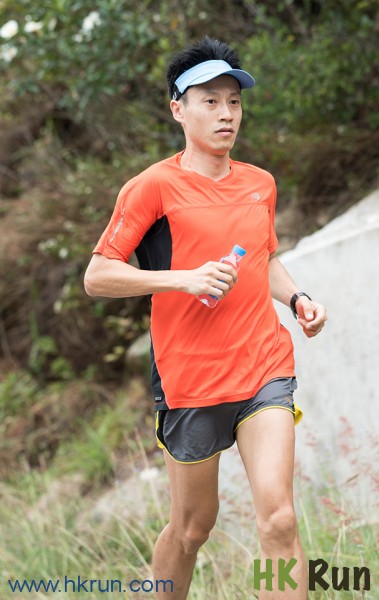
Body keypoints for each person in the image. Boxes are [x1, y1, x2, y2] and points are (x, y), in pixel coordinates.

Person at [84, 36, 327, 599]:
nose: (226, 114)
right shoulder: (152, 187)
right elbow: (98, 275)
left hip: (263, 366)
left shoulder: (259, 183)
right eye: (210, 101)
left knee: (279, 519)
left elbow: (263, 258)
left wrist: (297, 299)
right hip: (190, 379)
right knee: (193, 528)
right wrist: (183, 279)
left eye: (234, 102)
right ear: (178, 109)